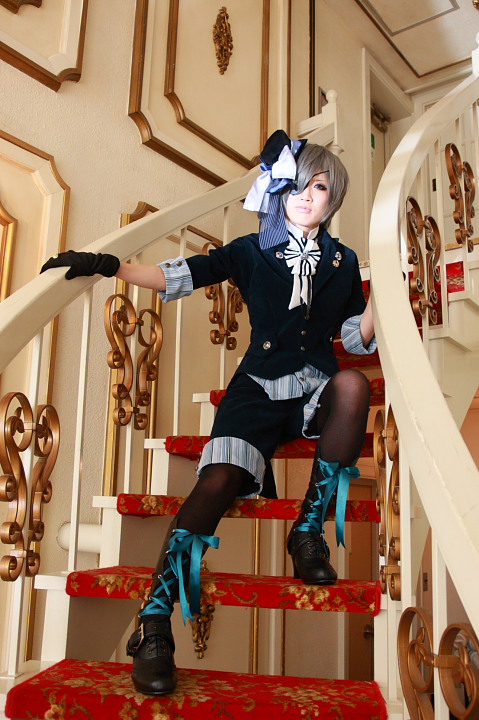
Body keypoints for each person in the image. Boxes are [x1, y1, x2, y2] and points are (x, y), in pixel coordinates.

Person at [41, 130, 376, 696]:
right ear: (278, 191)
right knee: (218, 479)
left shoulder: (343, 262)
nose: (305, 195)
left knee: (353, 385)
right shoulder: (250, 249)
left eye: (319, 186)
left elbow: (352, 336)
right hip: (256, 389)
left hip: (314, 389)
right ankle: (154, 623)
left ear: (333, 197)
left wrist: (380, 298)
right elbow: (181, 275)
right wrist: (110, 266)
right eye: (296, 184)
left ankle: (308, 531)